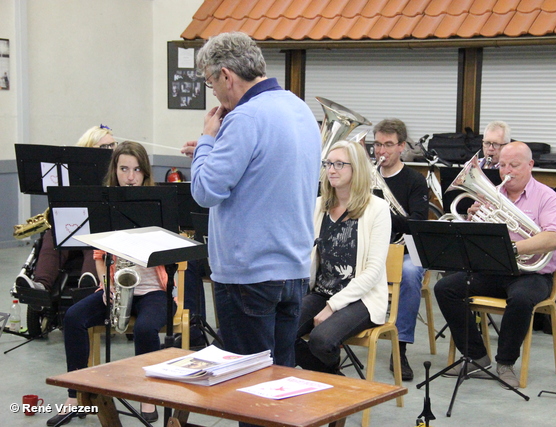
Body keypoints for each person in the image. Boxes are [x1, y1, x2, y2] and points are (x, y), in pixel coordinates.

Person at [184, 33, 321, 381]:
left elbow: (205, 190)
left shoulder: (243, 118)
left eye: (210, 81)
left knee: (248, 388)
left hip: (249, 274)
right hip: (293, 270)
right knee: (280, 382)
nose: (212, 91)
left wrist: (206, 141)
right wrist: (211, 152)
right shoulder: (298, 107)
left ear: (227, 76)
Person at [47, 141, 167, 426]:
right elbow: (99, 254)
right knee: (75, 317)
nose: (130, 176)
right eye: (124, 169)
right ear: (115, 170)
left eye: (137, 170)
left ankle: (146, 395)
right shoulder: (106, 204)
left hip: (153, 289)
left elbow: (170, 252)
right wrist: (107, 284)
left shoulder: (159, 203)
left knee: (146, 328)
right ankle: (76, 395)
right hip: (117, 287)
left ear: (145, 173)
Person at [434, 141, 556, 389]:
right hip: (495, 270)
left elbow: (555, 238)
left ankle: (505, 363)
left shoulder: (547, 197)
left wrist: (514, 248)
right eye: (502, 165)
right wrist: (472, 220)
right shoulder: (492, 194)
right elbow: (478, 240)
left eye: (514, 165)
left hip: (533, 274)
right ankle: (476, 357)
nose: (507, 171)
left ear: (530, 165)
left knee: (520, 299)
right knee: (445, 289)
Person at [295, 140, 391, 374]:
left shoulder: (377, 209)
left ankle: (332, 390)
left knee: (321, 340)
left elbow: (373, 271)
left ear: (356, 169)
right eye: (328, 164)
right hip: (321, 292)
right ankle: (334, 381)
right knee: (279, 329)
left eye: (340, 164)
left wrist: (332, 306)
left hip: (362, 298)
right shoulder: (319, 206)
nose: (332, 170)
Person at [15, 125, 117, 292]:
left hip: (99, 229)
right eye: (105, 147)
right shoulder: (72, 173)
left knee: (93, 235)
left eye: (113, 145)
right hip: (73, 227)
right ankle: (41, 284)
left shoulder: (119, 173)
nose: (111, 150)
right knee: (53, 234)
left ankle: (89, 281)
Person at [373, 118, 430, 381]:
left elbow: (417, 223)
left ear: (401, 147)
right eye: (377, 144)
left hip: (409, 248)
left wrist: (380, 212)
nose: (381, 151)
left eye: (388, 145)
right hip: (374, 248)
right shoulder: (367, 177)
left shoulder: (415, 181)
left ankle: (400, 347)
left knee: (409, 273)